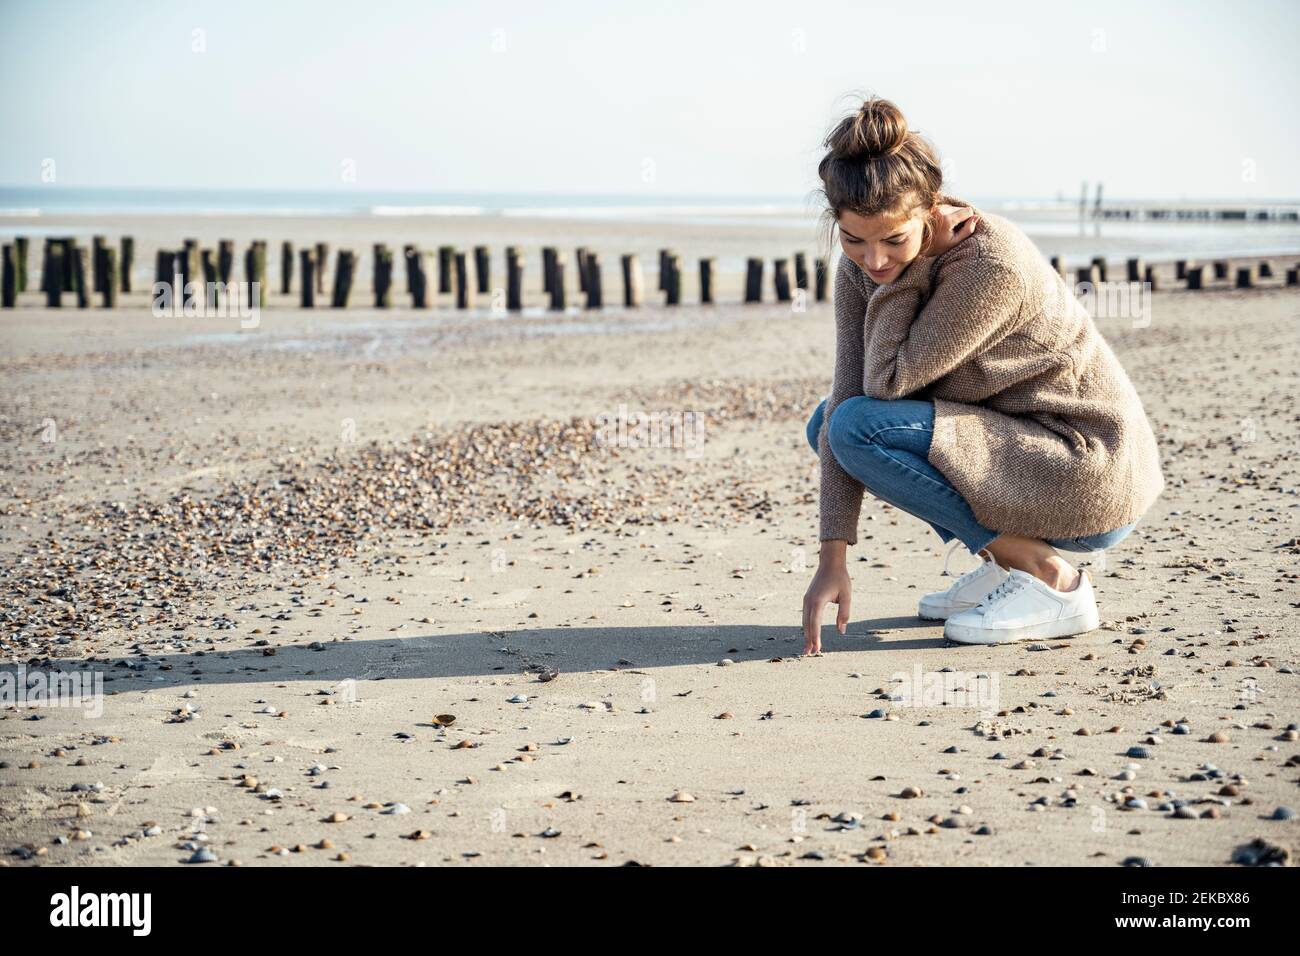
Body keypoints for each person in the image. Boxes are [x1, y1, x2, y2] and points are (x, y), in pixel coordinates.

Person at [801, 95, 1164, 651]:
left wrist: (908, 274)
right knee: (828, 422)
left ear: (931, 211)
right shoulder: (864, 268)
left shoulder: (988, 264)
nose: (874, 260)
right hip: (1018, 453)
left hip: (1086, 467)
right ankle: (1004, 563)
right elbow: (849, 394)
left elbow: (885, 385)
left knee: (855, 425)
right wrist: (832, 560)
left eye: (894, 239)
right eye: (853, 239)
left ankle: (1051, 579)